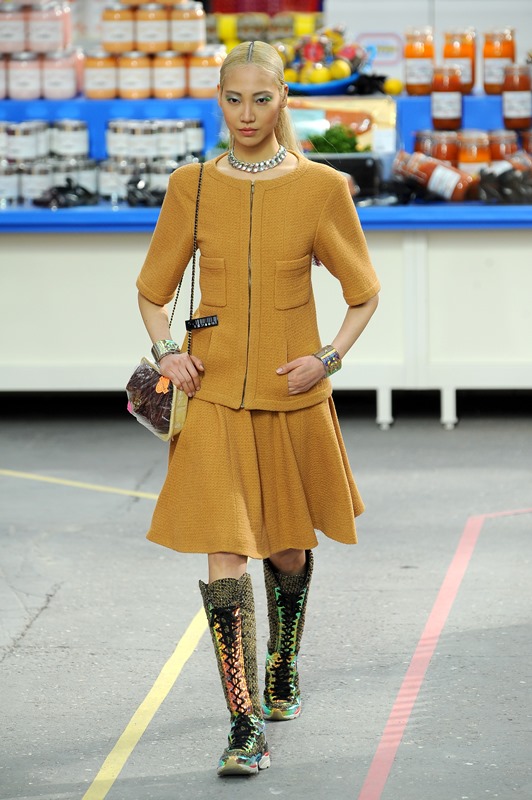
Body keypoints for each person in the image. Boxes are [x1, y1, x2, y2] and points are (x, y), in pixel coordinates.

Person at [136, 40, 380, 777]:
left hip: (290, 394)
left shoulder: (321, 188)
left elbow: (364, 293)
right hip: (211, 394)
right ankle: (243, 722)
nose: (247, 114)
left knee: (289, 550)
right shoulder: (190, 187)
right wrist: (165, 352)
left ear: (283, 101)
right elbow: (152, 291)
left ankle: (283, 661)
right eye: (234, 99)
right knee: (224, 549)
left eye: (262, 99)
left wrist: (328, 358)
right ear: (219, 99)